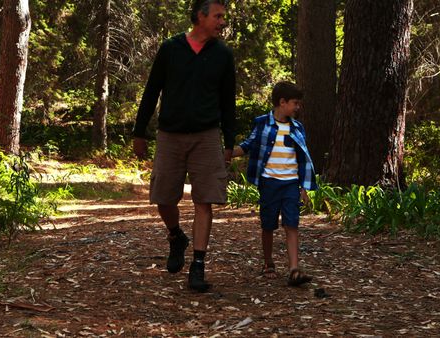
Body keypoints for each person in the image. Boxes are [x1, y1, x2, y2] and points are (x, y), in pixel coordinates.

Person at [132, 0, 236, 292]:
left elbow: (229, 103)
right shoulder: (171, 49)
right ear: (200, 16)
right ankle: (176, 236)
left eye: (222, 17)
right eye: (218, 16)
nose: (222, 21)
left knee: (205, 201)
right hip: (170, 135)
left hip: (207, 136)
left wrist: (230, 143)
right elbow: (152, 91)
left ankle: (198, 265)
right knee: (163, 197)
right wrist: (139, 133)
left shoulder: (223, 55)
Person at [231, 81, 316, 286]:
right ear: (282, 102)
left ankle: (294, 269)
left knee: (292, 224)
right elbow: (248, 145)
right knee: (268, 224)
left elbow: (303, 158)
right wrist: (226, 153)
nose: (298, 107)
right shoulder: (262, 123)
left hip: (291, 184)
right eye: (295, 103)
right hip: (269, 183)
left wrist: (304, 187)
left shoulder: (297, 127)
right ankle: (268, 263)